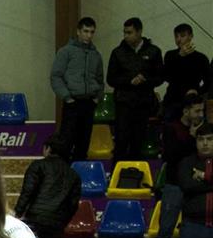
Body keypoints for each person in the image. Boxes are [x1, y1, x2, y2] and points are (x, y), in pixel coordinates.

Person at [13, 133, 81, 238]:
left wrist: (17, 214)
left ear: (48, 148)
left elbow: (27, 192)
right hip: (56, 222)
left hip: (35, 219)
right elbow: (73, 205)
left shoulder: (38, 166)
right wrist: (62, 222)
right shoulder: (74, 174)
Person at [107, 17, 164, 160]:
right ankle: (117, 171)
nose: (126, 36)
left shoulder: (154, 51)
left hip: (143, 103)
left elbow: (160, 77)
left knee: (137, 142)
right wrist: (129, 81)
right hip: (123, 103)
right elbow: (111, 79)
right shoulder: (117, 52)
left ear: (139, 32)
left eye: (129, 32)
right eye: (124, 32)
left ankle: (135, 172)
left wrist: (145, 80)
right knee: (121, 142)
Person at [156, 92, 207, 238]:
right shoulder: (171, 128)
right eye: (197, 111)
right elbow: (170, 156)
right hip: (174, 185)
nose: (201, 114)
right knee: (166, 228)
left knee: (190, 230)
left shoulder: (203, 130)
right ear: (186, 111)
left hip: (195, 186)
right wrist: (192, 138)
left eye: (202, 110)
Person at [50, 17, 105, 162]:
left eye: (92, 32)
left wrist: (97, 98)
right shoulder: (66, 52)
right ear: (78, 31)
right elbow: (56, 76)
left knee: (84, 143)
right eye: (86, 31)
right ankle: (64, 172)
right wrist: (67, 97)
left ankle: (79, 172)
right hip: (72, 102)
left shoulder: (96, 55)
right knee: (66, 143)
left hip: (89, 103)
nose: (89, 35)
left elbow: (100, 79)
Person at [175, 123, 213, 238]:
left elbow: (194, 186)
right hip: (193, 227)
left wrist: (203, 177)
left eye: (209, 139)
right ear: (196, 142)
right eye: (201, 139)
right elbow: (187, 186)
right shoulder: (186, 163)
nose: (205, 143)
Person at [161, 24, 209, 121]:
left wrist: (197, 91)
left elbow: (208, 81)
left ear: (191, 36)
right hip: (173, 99)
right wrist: (180, 56)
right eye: (176, 36)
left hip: (192, 101)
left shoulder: (201, 58)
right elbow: (167, 76)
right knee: (170, 126)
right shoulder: (170, 55)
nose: (179, 39)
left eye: (182, 36)